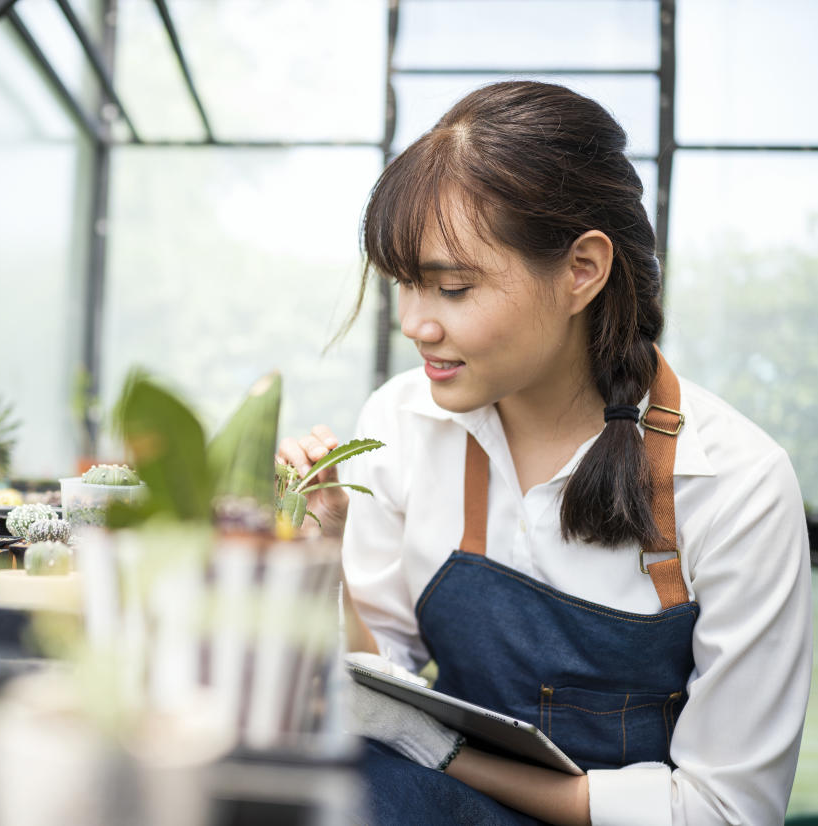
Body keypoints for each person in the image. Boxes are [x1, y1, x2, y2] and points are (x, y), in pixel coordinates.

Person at [277, 81, 813, 826]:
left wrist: (452, 756)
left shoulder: (733, 484)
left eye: (452, 288)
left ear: (581, 271)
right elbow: (378, 689)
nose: (414, 324)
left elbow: (725, 810)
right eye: (403, 286)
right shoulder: (403, 421)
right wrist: (325, 557)